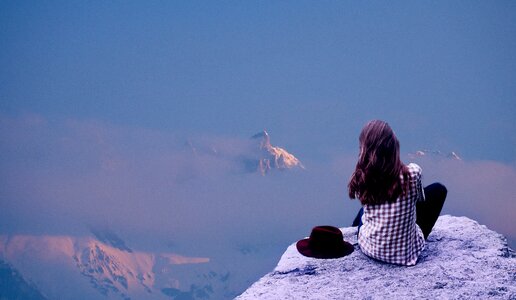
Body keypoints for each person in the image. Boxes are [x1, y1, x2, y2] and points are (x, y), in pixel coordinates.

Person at [349, 120, 447, 266]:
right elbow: (419, 200)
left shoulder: (364, 176)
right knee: (438, 190)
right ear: (394, 145)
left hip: (371, 249)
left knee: (363, 211)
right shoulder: (413, 172)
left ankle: (353, 230)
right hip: (407, 254)